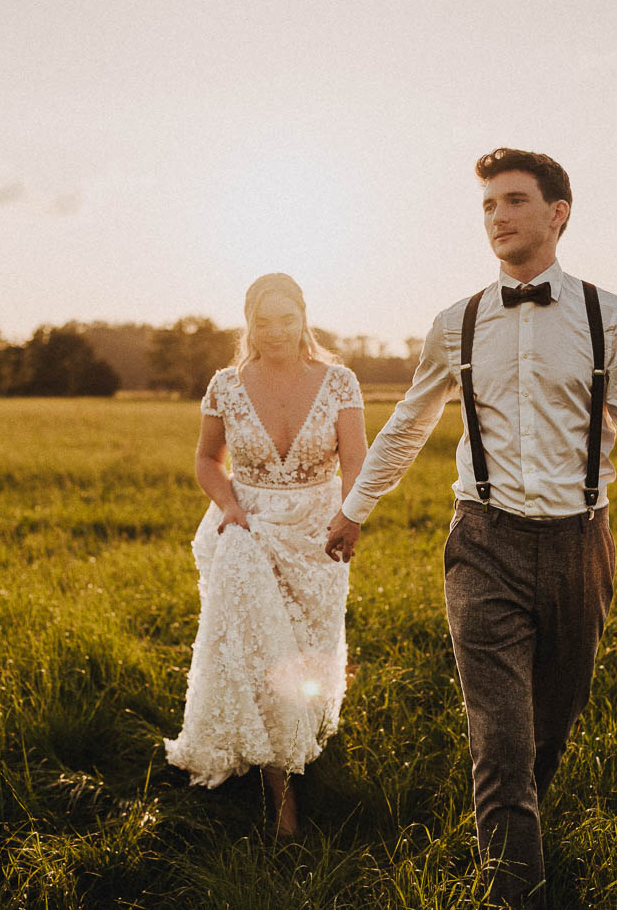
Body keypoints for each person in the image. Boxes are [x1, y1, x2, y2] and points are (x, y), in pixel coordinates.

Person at [325, 149, 617, 907]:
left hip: (581, 546)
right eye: (488, 205)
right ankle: (514, 891)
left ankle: (511, 830)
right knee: (503, 741)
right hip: (483, 543)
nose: (497, 216)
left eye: (514, 200)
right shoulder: (456, 322)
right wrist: (355, 508)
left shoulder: (610, 317)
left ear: (558, 213)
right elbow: (409, 422)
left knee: (549, 730)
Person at [165, 272, 367, 838]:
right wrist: (229, 505)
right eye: (263, 321)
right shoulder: (225, 386)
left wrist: (351, 515)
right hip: (246, 530)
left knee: (309, 653)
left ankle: (302, 742)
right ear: (248, 324)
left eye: (287, 319)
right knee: (261, 654)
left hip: (319, 535)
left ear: (304, 318)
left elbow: (356, 459)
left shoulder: (339, 382)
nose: (276, 331)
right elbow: (207, 459)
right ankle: (283, 797)